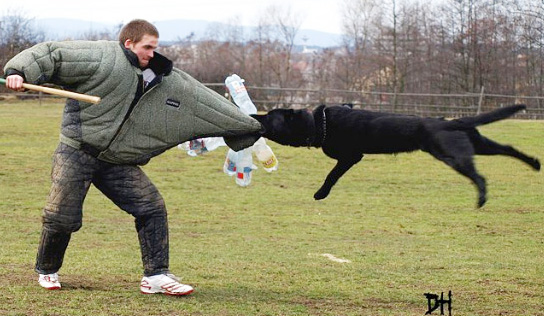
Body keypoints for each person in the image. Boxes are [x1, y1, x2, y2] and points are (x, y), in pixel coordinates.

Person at [3, 19, 261, 295]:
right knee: (62, 217)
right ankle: (47, 269)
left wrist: (248, 125)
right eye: (147, 47)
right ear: (129, 43)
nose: (152, 54)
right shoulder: (100, 57)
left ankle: (156, 276)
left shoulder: (164, 78)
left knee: (151, 207)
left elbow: (204, 103)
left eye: (155, 48)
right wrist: (19, 72)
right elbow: (53, 53)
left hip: (117, 161)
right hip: (77, 151)